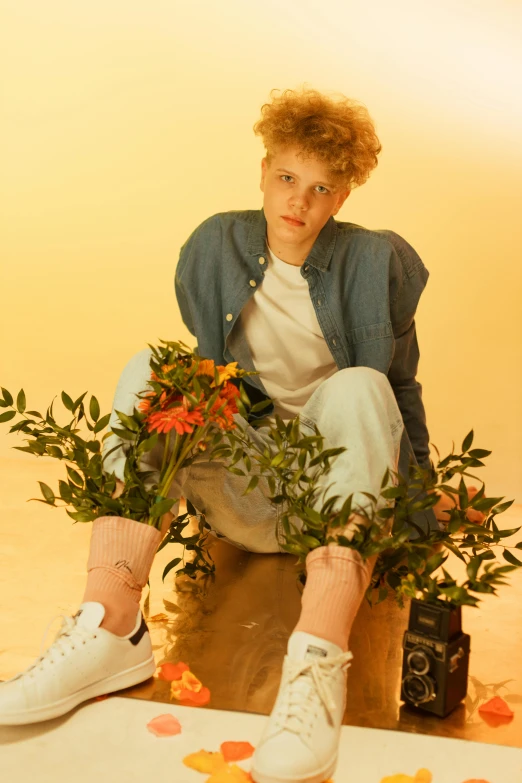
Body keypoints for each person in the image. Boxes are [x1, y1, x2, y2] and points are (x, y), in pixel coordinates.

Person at [0, 86, 483, 783]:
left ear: (341, 197)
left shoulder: (379, 264)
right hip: (247, 487)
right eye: (287, 178)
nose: (299, 202)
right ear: (263, 170)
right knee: (156, 368)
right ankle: (109, 623)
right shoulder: (213, 247)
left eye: (321, 188)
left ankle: (316, 660)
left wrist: (418, 497)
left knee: (360, 385)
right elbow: (205, 381)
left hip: (336, 498)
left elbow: (397, 388)